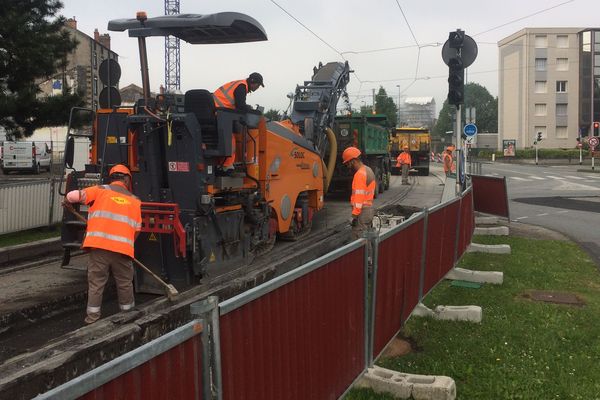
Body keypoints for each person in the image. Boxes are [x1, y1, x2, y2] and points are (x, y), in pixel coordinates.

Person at [65, 164, 142, 324]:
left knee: (96, 283)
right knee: (125, 283)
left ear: (111, 177)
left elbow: (73, 196)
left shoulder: (99, 190)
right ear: (127, 179)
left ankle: (92, 319)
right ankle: (127, 315)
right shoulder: (135, 201)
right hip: (122, 251)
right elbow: (137, 230)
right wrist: (126, 243)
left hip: (99, 248)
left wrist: (67, 201)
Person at [213, 72, 264, 173]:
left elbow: (237, 105)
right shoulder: (242, 87)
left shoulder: (239, 84)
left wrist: (247, 108)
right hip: (219, 111)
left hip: (217, 111)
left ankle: (220, 163)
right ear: (253, 82)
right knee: (230, 138)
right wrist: (251, 110)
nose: (257, 88)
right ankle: (227, 166)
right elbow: (240, 105)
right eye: (258, 86)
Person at [342, 146, 375, 240]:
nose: (348, 166)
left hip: (362, 213)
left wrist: (354, 215)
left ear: (353, 161)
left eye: (348, 163)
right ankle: (370, 254)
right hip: (368, 210)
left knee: (359, 240)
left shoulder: (359, 175)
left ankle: (366, 255)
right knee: (367, 238)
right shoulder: (368, 170)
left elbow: (359, 198)